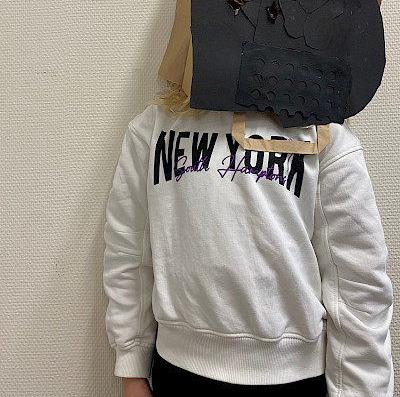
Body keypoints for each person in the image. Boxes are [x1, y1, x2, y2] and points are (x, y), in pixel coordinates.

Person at [102, 80, 394, 397]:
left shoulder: (323, 134)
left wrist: (361, 389)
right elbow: (129, 250)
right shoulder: (155, 127)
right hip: (178, 368)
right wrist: (131, 365)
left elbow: (358, 280)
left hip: (293, 375)